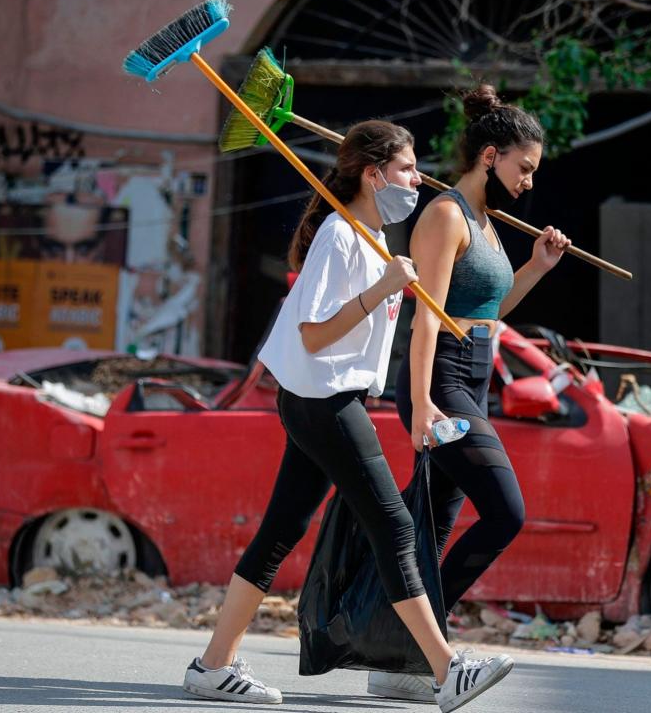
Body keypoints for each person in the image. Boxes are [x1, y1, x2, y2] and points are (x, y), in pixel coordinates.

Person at [182, 120, 513, 712]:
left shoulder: (375, 234)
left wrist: (390, 275)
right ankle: (446, 670)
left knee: (283, 529)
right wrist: (382, 286)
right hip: (320, 398)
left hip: (332, 398)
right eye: (408, 169)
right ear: (373, 173)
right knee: (394, 524)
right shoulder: (340, 234)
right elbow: (312, 335)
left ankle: (213, 665)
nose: (418, 179)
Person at [370, 86, 570, 703]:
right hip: (444, 378)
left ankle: (399, 657)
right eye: (524, 167)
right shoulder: (445, 215)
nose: (530, 183)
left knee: (435, 523)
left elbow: (488, 311)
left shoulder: (486, 222)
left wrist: (535, 267)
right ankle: (439, 659)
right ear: (491, 156)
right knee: (506, 511)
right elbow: (427, 317)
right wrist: (424, 403)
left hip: (475, 373)